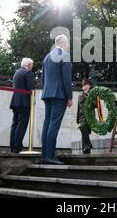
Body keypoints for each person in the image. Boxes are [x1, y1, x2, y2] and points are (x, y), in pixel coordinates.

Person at [41, 34, 72, 165]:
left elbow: (43, 78)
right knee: (54, 125)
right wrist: (69, 96)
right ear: (64, 43)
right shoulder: (64, 55)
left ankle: (45, 154)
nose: (68, 46)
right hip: (59, 94)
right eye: (68, 43)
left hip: (47, 93)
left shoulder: (47, 57)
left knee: (47, 123)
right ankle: (50, 156)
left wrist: (45, 91)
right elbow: (66, 78)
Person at [9, 58, 35, 153]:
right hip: (24, 103)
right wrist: (33, 101)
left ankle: (13, 146)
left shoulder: (17, 72)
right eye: (32, 64)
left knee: (15, 124)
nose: (32, 66)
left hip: (15, 101)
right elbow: (30, 89)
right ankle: (17, 146)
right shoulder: (28, 73)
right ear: (28, 65)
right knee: (22, 125)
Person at [76, 78, 93, 154]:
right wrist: (77, 119)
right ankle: (86, 151)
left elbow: (96, 105)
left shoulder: (93, 94)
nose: (83, 85)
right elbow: (78, 108)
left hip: (89, 117)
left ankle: (88, 145)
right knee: (84, 133)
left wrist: (89, 97)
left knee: (82, 127)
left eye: (85, 84)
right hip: (81, 117)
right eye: (82, 84)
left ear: (89, 86)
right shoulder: (80, 95)